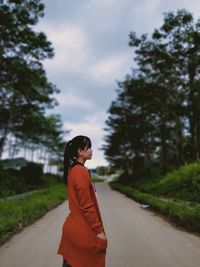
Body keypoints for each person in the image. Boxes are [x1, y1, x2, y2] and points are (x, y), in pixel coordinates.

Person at [57, 135, 108, 267]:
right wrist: (99, 231)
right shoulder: (80, 172)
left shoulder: (73, 170)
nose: (91, 150)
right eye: (89, 147)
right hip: (82, 231)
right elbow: (87, 206)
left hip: (72, 229)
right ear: (80, 151)